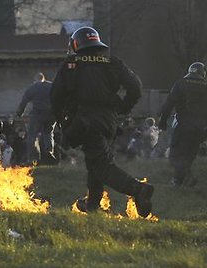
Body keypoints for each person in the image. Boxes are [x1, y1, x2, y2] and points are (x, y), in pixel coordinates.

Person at [50, 26, 154, 217]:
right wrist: (123, 109)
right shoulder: (112, 62)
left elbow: (55, 97)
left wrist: (62, 121)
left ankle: (138, 189)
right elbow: (135, 87)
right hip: (109, 122)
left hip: (85, 122)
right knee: (96, 160)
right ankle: (93, 205)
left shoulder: (71, 64)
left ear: (76, 44)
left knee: (101, 165)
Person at [159, 62, 207, 187]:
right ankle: (179, 180)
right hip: (201, 129)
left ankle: (186, 177)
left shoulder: (181, 84)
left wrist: (163, 120)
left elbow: (170, 102)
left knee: (175, 154)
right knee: (189, 155)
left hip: (184, 125)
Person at [16, 72, 57, 165]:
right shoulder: (52, 86)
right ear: (44, 78)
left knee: (32, 135)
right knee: (48, 134)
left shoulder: (32, 87)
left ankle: (33, 157)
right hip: (51, 115)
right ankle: (49, 152)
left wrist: (19, 113)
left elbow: (24, 101)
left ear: (35, 80)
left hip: (37, 114)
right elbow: (60, 98)